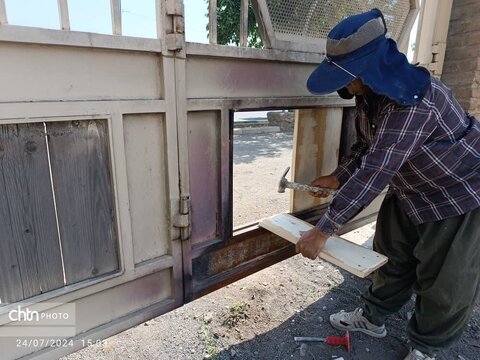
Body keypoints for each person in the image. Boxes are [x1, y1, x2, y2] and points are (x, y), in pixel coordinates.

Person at [295, 8, 480, 360]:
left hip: (457, 192)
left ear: (371, 69)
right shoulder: (371, 95)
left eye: (348, 76)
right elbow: (367, 148)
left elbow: (376, 170)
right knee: (388, 257)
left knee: (446, 279)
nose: (345, 85)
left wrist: (324, 229)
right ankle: (372, 317)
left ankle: (426, 346)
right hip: (410, 189)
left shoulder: (414, 101)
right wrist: (337, 177)